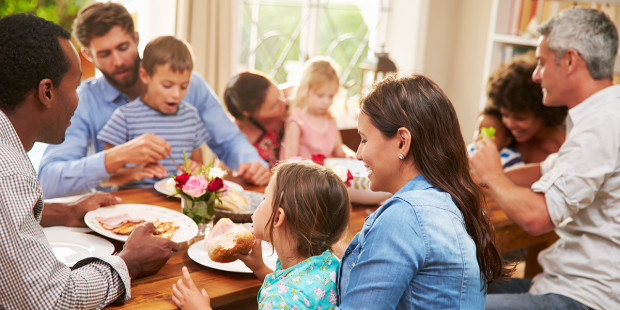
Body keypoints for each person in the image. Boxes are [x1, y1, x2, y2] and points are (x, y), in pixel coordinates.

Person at [0, 14, 179, 308]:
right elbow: (52, 300)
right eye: (74, 86)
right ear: (46, 91)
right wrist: (129, 262)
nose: (77, 99)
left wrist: (68, 213)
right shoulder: (8, 173)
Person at [38, 2, 270, 198]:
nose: (118, 61)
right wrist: (116, 157)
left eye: (123, 47)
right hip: (123, 212)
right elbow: (47, 180)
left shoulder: (190, 85)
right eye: (105, 54)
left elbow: (228, 140)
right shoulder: (85, 100)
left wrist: (252, 163)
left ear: (136, 38)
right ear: (88, 55)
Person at [470, 8, 620, 310]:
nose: (536, 75)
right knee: (445, 284)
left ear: (569, 61)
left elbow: (536, 218)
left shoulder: (602, 125)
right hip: (561, 283)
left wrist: (494, 175)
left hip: (587, 298)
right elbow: (545, 170)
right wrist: (478, 176)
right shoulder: (600, 115)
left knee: (441, 303)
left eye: (541, 62)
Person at [337, 74, 507, 308]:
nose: (358, 154)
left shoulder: (404, 217)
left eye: (364, 140)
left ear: (402, 142)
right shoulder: (446, 201)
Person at [171, 161, 350, 309]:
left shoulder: (279, 301)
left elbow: (287, 297)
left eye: (264, 198)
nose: (260, 202)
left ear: (277, 217)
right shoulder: (327, 262)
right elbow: (298, 291)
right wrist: (259, 268)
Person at [97, 36, 208, 188]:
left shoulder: (191, 116)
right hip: (137, 203)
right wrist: (134, 173)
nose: (176, 94)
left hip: (177, 204)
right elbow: (103, 178)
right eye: (167, 85)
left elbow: (200, 165)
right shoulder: (125, 117)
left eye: (184, 86)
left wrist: (196, 169)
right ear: (145, 76)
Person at [487, 51, 567, 163]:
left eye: (520, 118)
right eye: (505, 115)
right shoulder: (506, 141)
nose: (509, 124)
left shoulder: (566, 145)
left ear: (544, 112)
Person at [280, 57, 351, 160]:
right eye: (320, 95)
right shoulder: (296, 122)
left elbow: (339, 150)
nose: (326, 101)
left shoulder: (330, 119)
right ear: (305, 91)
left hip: (326, 173)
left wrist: (348, 155)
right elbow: (290, 159)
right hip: (302, 174)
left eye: (330, 96)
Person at [223, 72, 288, 168]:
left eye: (280, 94)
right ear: (248, 113)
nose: (284, 102)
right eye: (273, 106)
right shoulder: (237, 135)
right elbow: (223, 174)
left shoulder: (295, 95)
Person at [467, 105, 524, 169]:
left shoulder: (510, 158)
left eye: (490, 134)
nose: (483, 137)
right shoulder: (470, 150)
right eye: (480, 131)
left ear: (506, 140)